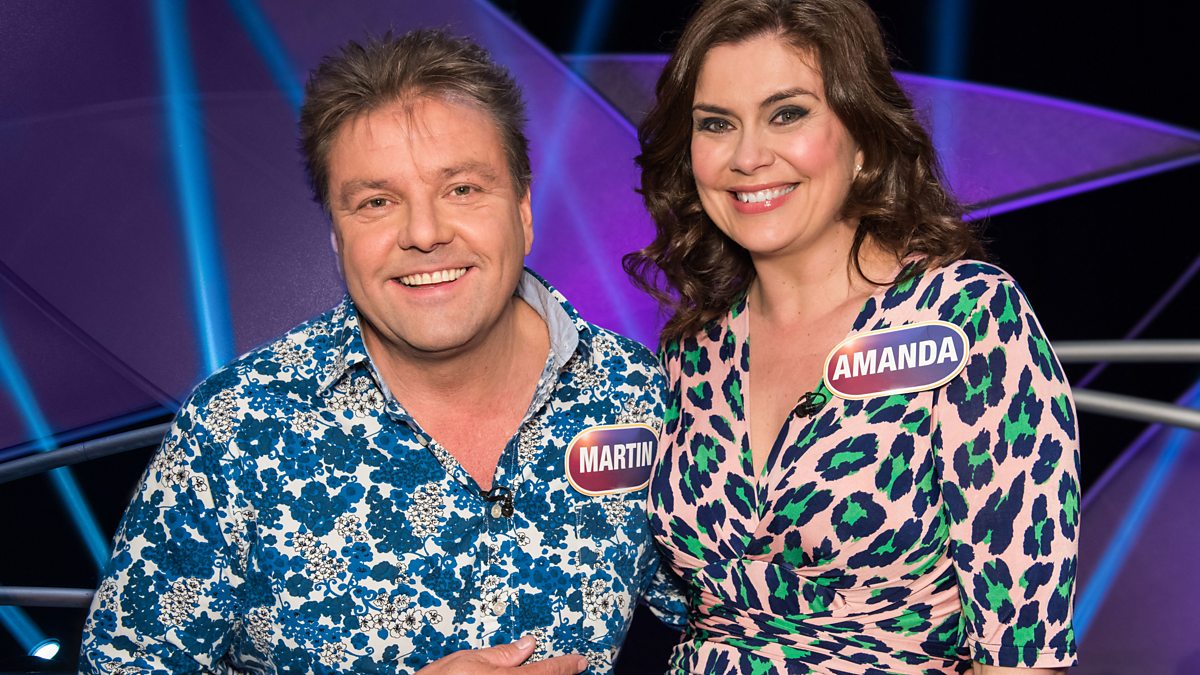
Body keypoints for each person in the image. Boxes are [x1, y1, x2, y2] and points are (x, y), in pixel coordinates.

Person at [81, 29, 685, 674]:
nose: (424, 233)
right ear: (337, 237)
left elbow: (734, 621)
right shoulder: (238, 427)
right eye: (377, 202)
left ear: (523, 209)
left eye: (462, 189)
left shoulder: (637, 392)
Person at [624, 0, 1079, 672]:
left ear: (862, 138)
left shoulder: (965, 316)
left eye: (787, 114)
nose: (748, 156)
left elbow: (1024, 654)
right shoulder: (692, 352)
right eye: (717, 124)